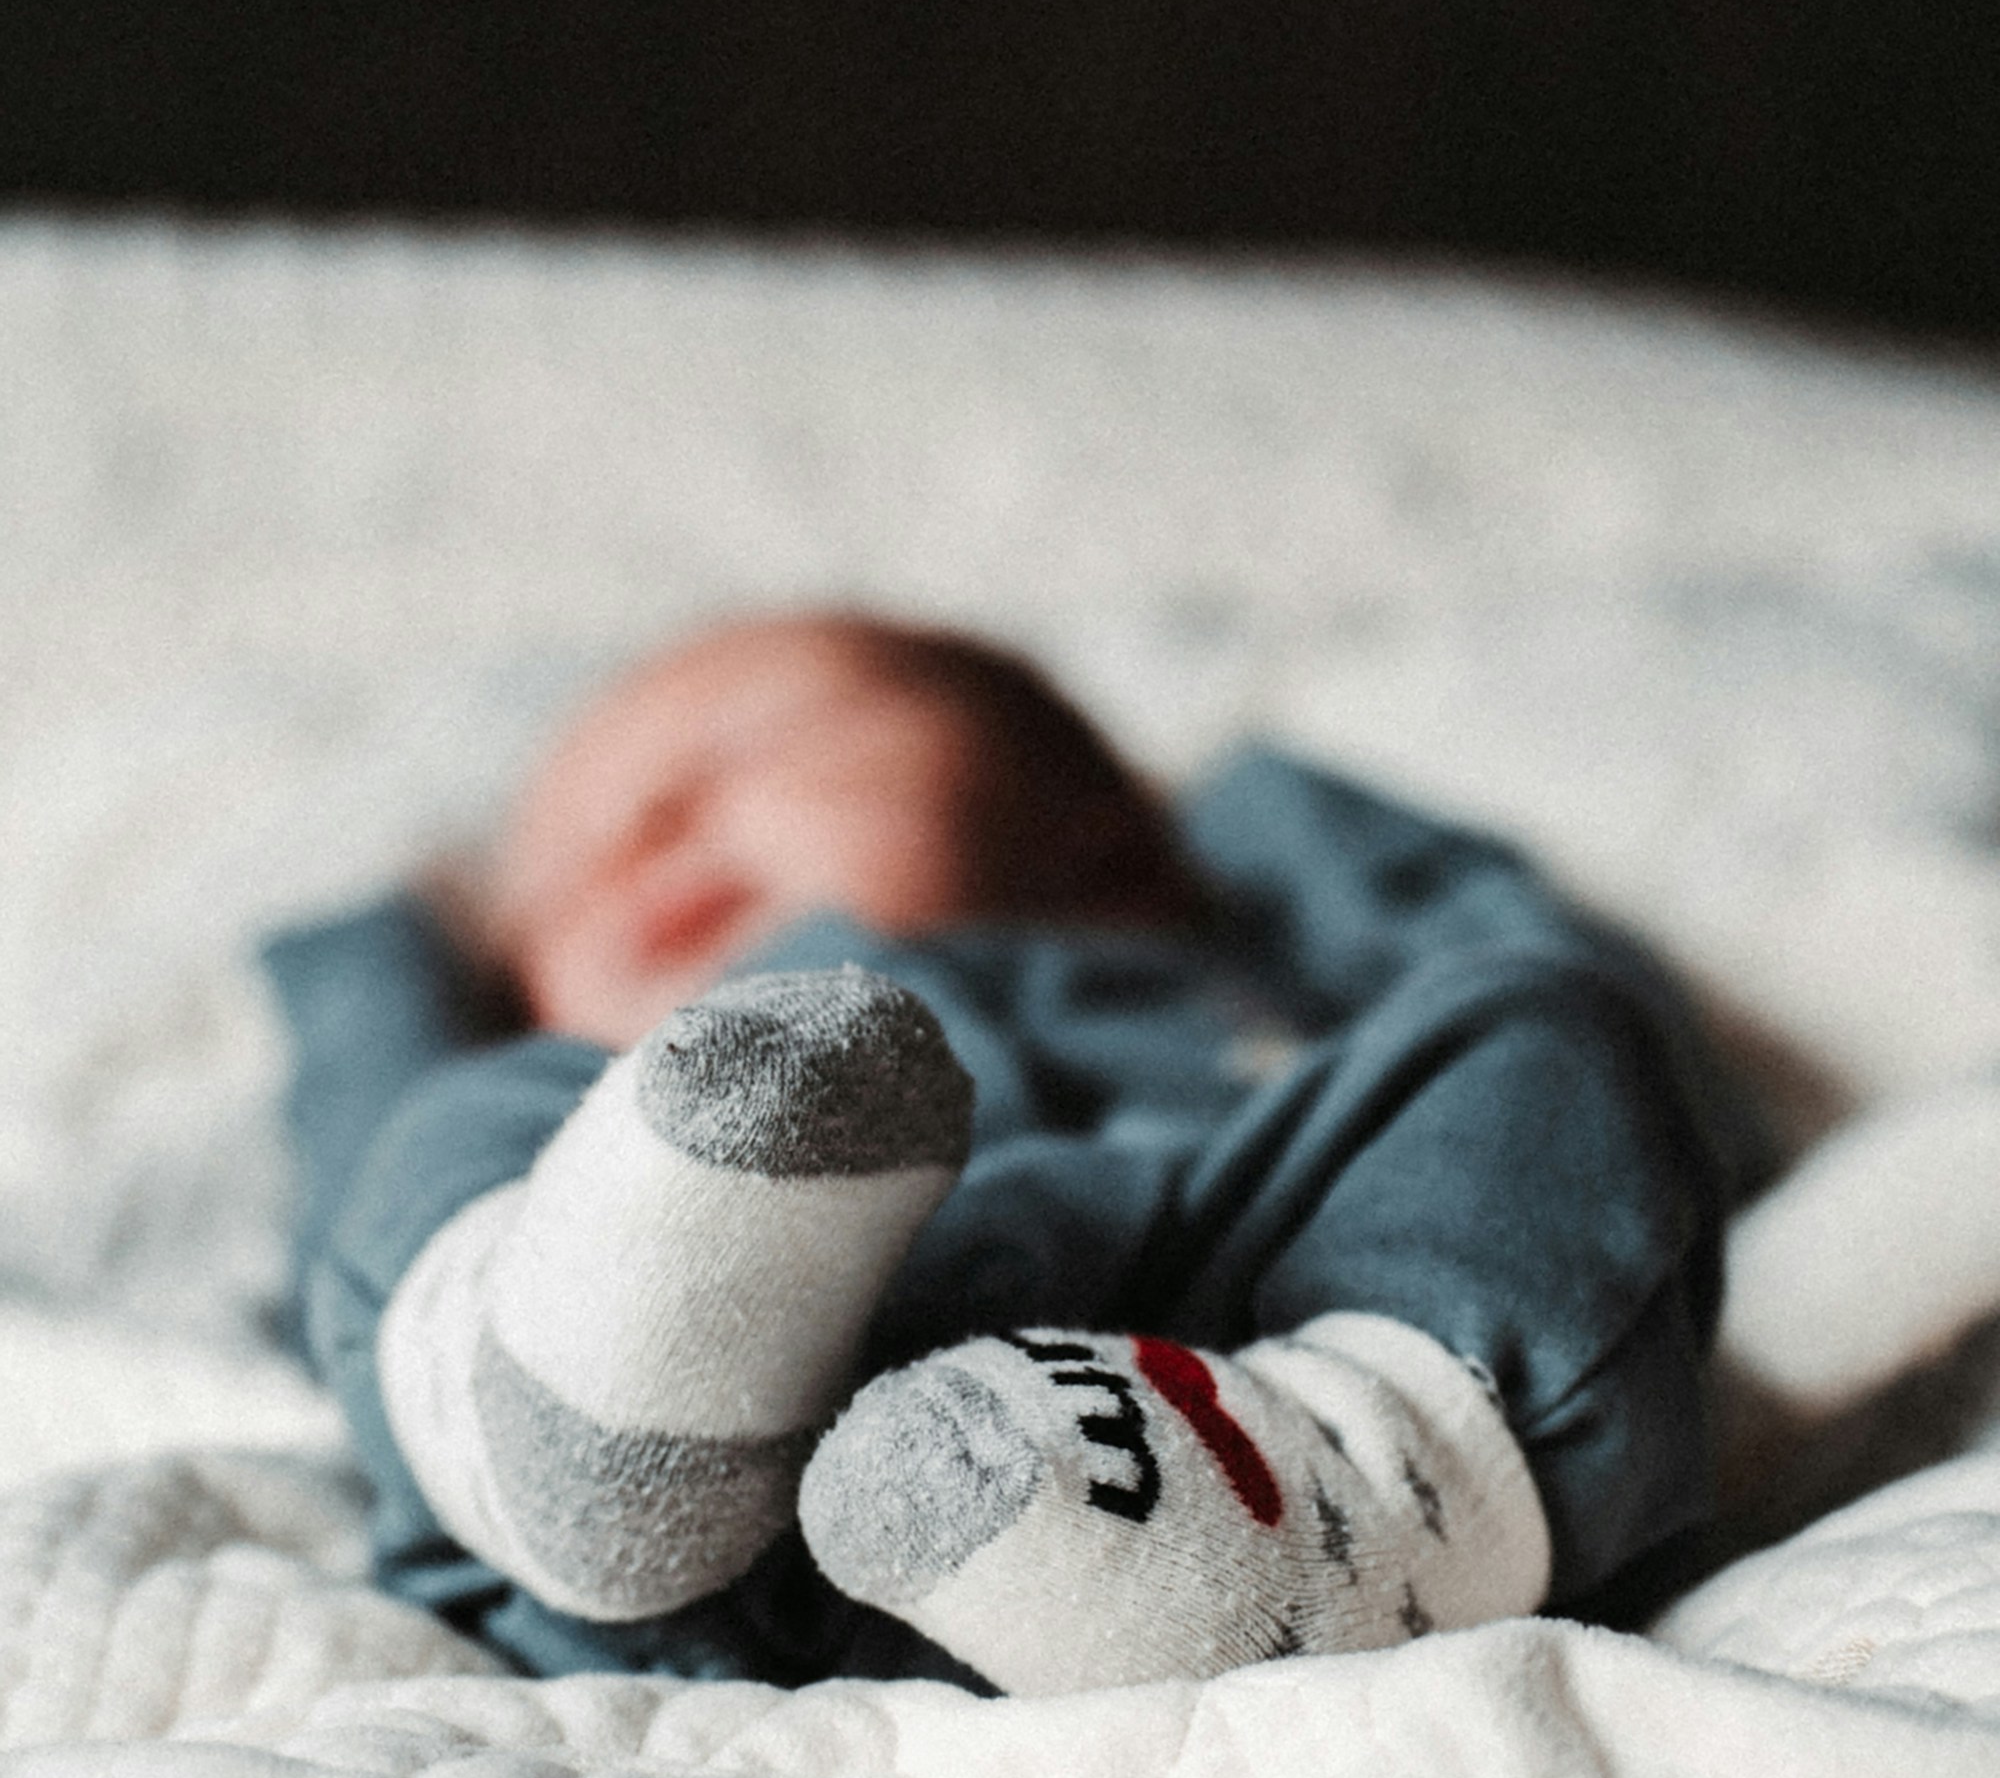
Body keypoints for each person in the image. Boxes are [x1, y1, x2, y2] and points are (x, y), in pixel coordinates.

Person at [262, 608, 1763, 1694]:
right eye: (560, 879)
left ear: (1105, 834)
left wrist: (1266, 815)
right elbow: (353, 1148)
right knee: (451, 1135)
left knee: (1542, 1029)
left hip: (1216, 1337)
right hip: (687, 1537)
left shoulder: (1240, 990)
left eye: (736, 755)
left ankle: (1364, 1494)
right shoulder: (560, 1065)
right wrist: (378, 966)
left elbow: (1552, 981)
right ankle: (578, 1414)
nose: (639, 838)